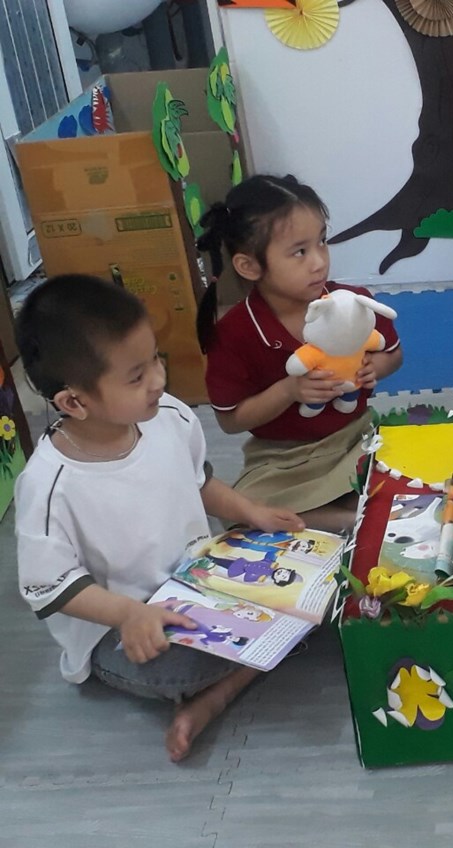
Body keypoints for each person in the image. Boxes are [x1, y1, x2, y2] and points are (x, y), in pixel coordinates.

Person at [14, 275, 305, 762]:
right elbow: (51, 586)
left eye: (155, 358)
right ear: (74, 402)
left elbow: (197, 481)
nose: (158, 379)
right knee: (187, 667)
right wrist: (130, 614)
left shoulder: (167, 415)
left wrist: (251, 512)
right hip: (122, 627)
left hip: (202, 581)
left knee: (312, 582)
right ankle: (215, 691)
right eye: (136, 376)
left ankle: (215, 695)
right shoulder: (49, 484)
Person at [196, 174, 403, 532]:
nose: (319, 261)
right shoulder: (235, 332)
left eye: (321, 241)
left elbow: (395, 355)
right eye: (299, 252)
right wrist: (288, 390)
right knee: (238, 510)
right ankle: (345, 518)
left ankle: (349, 511)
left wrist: (376, 367)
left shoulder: (351, 303)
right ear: (249, 266)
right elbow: (231, 420)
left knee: (406, 475)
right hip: (282, 457)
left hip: (355, 435)